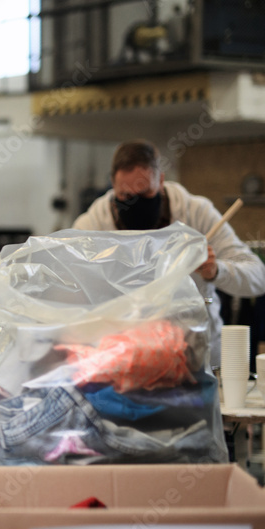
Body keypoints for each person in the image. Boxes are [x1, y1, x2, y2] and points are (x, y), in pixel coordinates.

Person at [72, 139, 265, 367]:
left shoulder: (196, 214)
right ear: (113, 186)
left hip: (197, 360)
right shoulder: (91, 227)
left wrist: (216, 271)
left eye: (144, 194)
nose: (135, 205)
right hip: (123, 362)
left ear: (161, 180)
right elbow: (68, 295)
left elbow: (258, 277)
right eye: (125, 197)